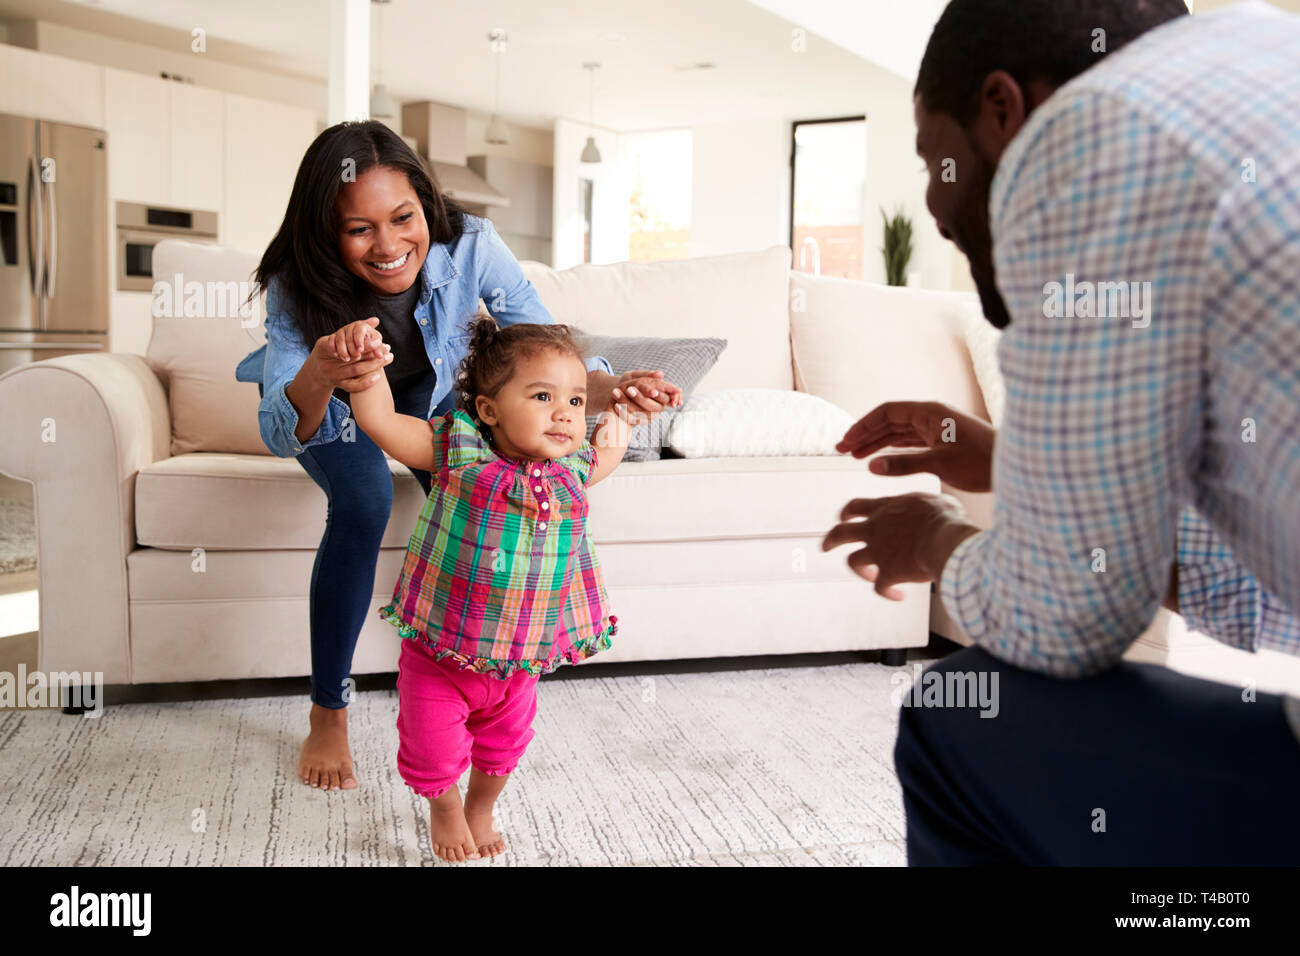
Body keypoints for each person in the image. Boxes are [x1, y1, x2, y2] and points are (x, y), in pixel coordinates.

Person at [822, 0, 1300, 863]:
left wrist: (933, 540)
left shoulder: (1087, 135)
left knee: (959, 714)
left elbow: (1068, 621)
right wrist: (1019, 464)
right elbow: (1270, 592)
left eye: (938, 158)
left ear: (1003, 109)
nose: (934, 203)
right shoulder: (1267, 62)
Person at [234, 120, 682, 791]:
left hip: (438, 396)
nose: (388, 246)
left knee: (499, 485)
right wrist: (324, 370)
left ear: (426, 202)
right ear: (327, 232)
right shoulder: (295, 281)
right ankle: (329, 708)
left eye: (402, 217)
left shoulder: (471, 243)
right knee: (365, 499)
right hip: (341, 398)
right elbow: (282, 425)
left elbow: (541, 347)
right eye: (360, 229)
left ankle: (470, 681)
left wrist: (614, 386)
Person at [349, 314, 656, 862]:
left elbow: (605, 455)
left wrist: (623, 420)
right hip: (442, 652)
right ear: (488, 410)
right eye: (543, 396)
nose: (565, 413)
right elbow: (381, 423)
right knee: (432, 746)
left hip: (520, 660)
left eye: (577, 402)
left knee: (504, 748)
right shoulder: (459, 450)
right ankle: (444, 808)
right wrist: (368, 374)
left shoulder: (570, 470)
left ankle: (480, 807)